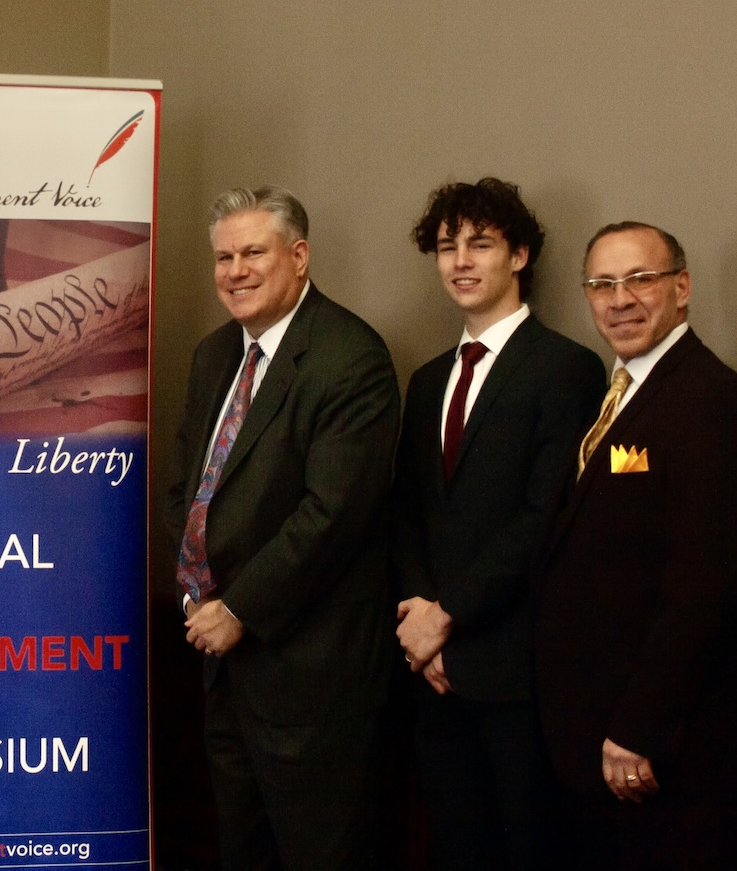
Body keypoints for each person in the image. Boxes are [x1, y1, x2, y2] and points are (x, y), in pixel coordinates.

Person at [167, 186, 400, 870]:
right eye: (223, 257)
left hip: (311, 677)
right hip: (222, 665)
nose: (234, 271)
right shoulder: (215, 355)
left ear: (298, 257)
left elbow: (333, 514)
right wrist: (195, 592)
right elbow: (187, 486)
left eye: (252, 254)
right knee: (244, 849)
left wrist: (239, 607)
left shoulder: (349, 356)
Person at [392, 178, 604, 868]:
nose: (460, 261)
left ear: (518, 255)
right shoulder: (427, 382)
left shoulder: (566, 369)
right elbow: (409, 513)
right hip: (432, 676)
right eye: (447, 246)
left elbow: (546, 518)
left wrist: (447, 616)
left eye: (479, 244)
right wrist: (423, 631)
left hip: (517, 674)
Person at [536, 222, 737, 867]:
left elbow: (703, 588)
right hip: (594, 732)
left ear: (681, 288)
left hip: (654, 746)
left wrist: (638, 728)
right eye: (601, 284)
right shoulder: (624, 393)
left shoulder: (708, 398)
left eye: (640, 280)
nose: (619, 300)